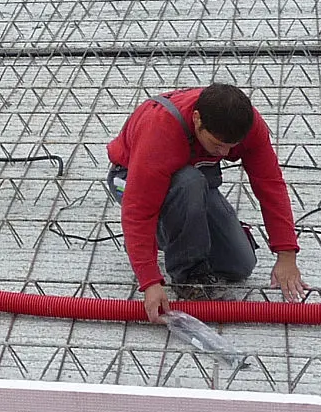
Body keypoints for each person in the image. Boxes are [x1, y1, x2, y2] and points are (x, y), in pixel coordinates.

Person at [105, 83, 305, 323]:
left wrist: (286, 255)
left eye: (231, 148)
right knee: (189, 181)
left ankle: (171, 234)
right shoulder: (160, 130)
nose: (223, 153)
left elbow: (270, 185)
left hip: (192, 184)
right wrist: (150, 280)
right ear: (197, 119)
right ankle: (187, 275)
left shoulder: (248, 125)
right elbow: (138, 211)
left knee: (240, 264)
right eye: (217, 145)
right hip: (130, 179)